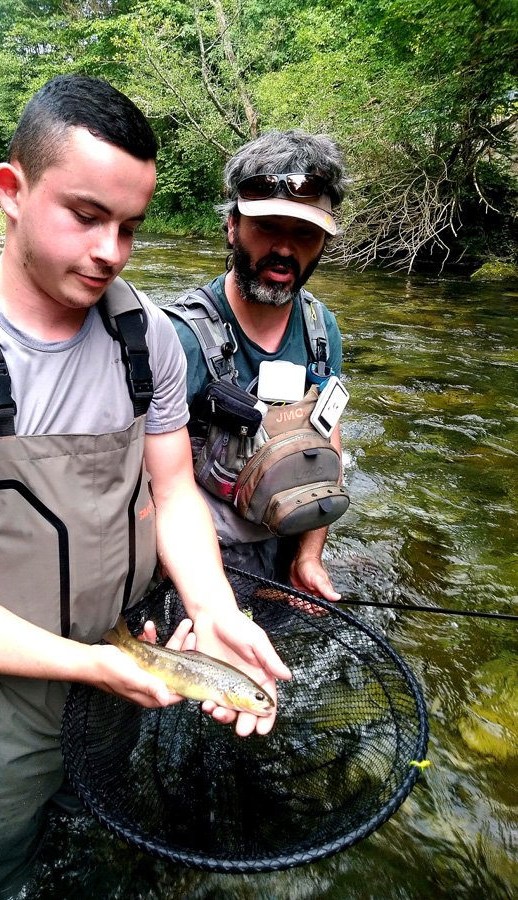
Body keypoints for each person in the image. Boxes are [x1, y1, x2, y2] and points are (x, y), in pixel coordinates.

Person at [0, 76, 290, 900]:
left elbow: (174, 490)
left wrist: (213, 607)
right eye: (85, 217)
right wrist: (85, 664)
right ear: (11, 191)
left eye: (130, 227)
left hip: (125, 658)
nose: (110, 253)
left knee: (84, 831)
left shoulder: (146, 334)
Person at [166, 129, 348, 602]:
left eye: (304, 233)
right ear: (232, 227)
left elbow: (328, 441)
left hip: (288, 537)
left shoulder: (321, 329)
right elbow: (153, 491)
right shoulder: (181, 338)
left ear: (323, 242)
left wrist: (309, 556)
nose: (285, 250)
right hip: (202, 559)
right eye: (267, 226)